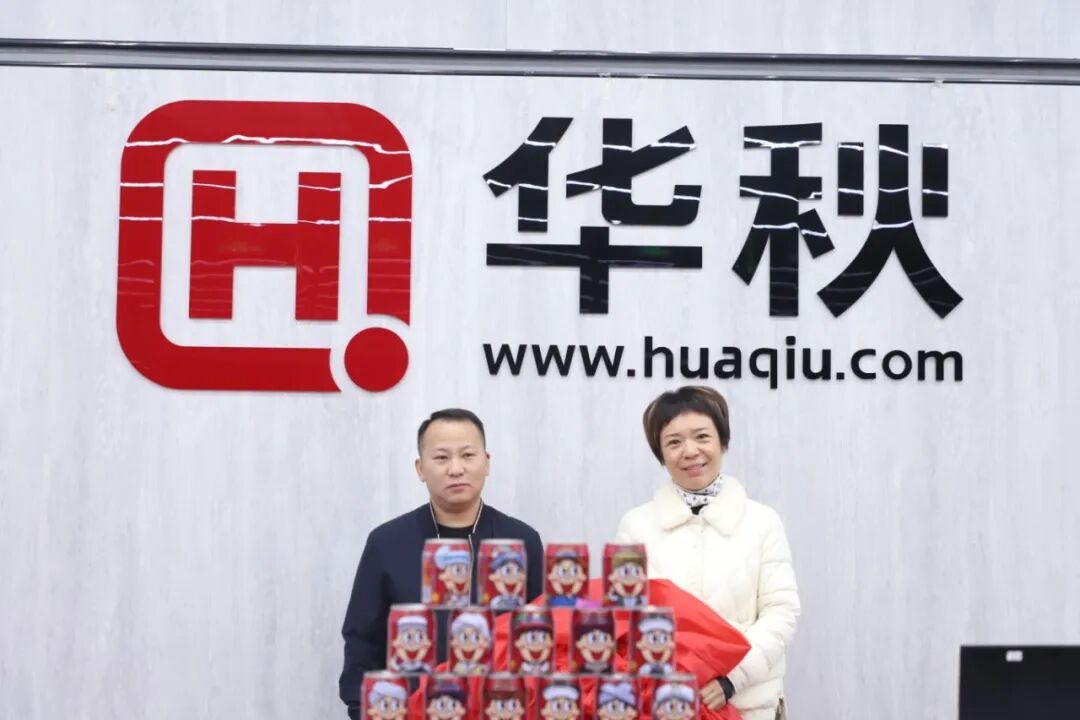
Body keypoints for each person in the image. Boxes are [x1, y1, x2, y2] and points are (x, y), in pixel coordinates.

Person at [339, 408, 545, 719]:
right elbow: (363, 642)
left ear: (487, 462)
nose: (456, 469)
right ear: (420, 468)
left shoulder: (521, 540)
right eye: (441, 458)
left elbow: (542, 639)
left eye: (468, 455)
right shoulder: (387, 542)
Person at [614, 386, 800, 720]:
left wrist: (731, 679)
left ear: (722, 441)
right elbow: (624, 619)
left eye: (702, 436)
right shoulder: (635, 526)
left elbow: (781, 612)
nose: (690, 451)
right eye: (674, 442)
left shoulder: (762, 522)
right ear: (660, 453)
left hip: (750, 706)